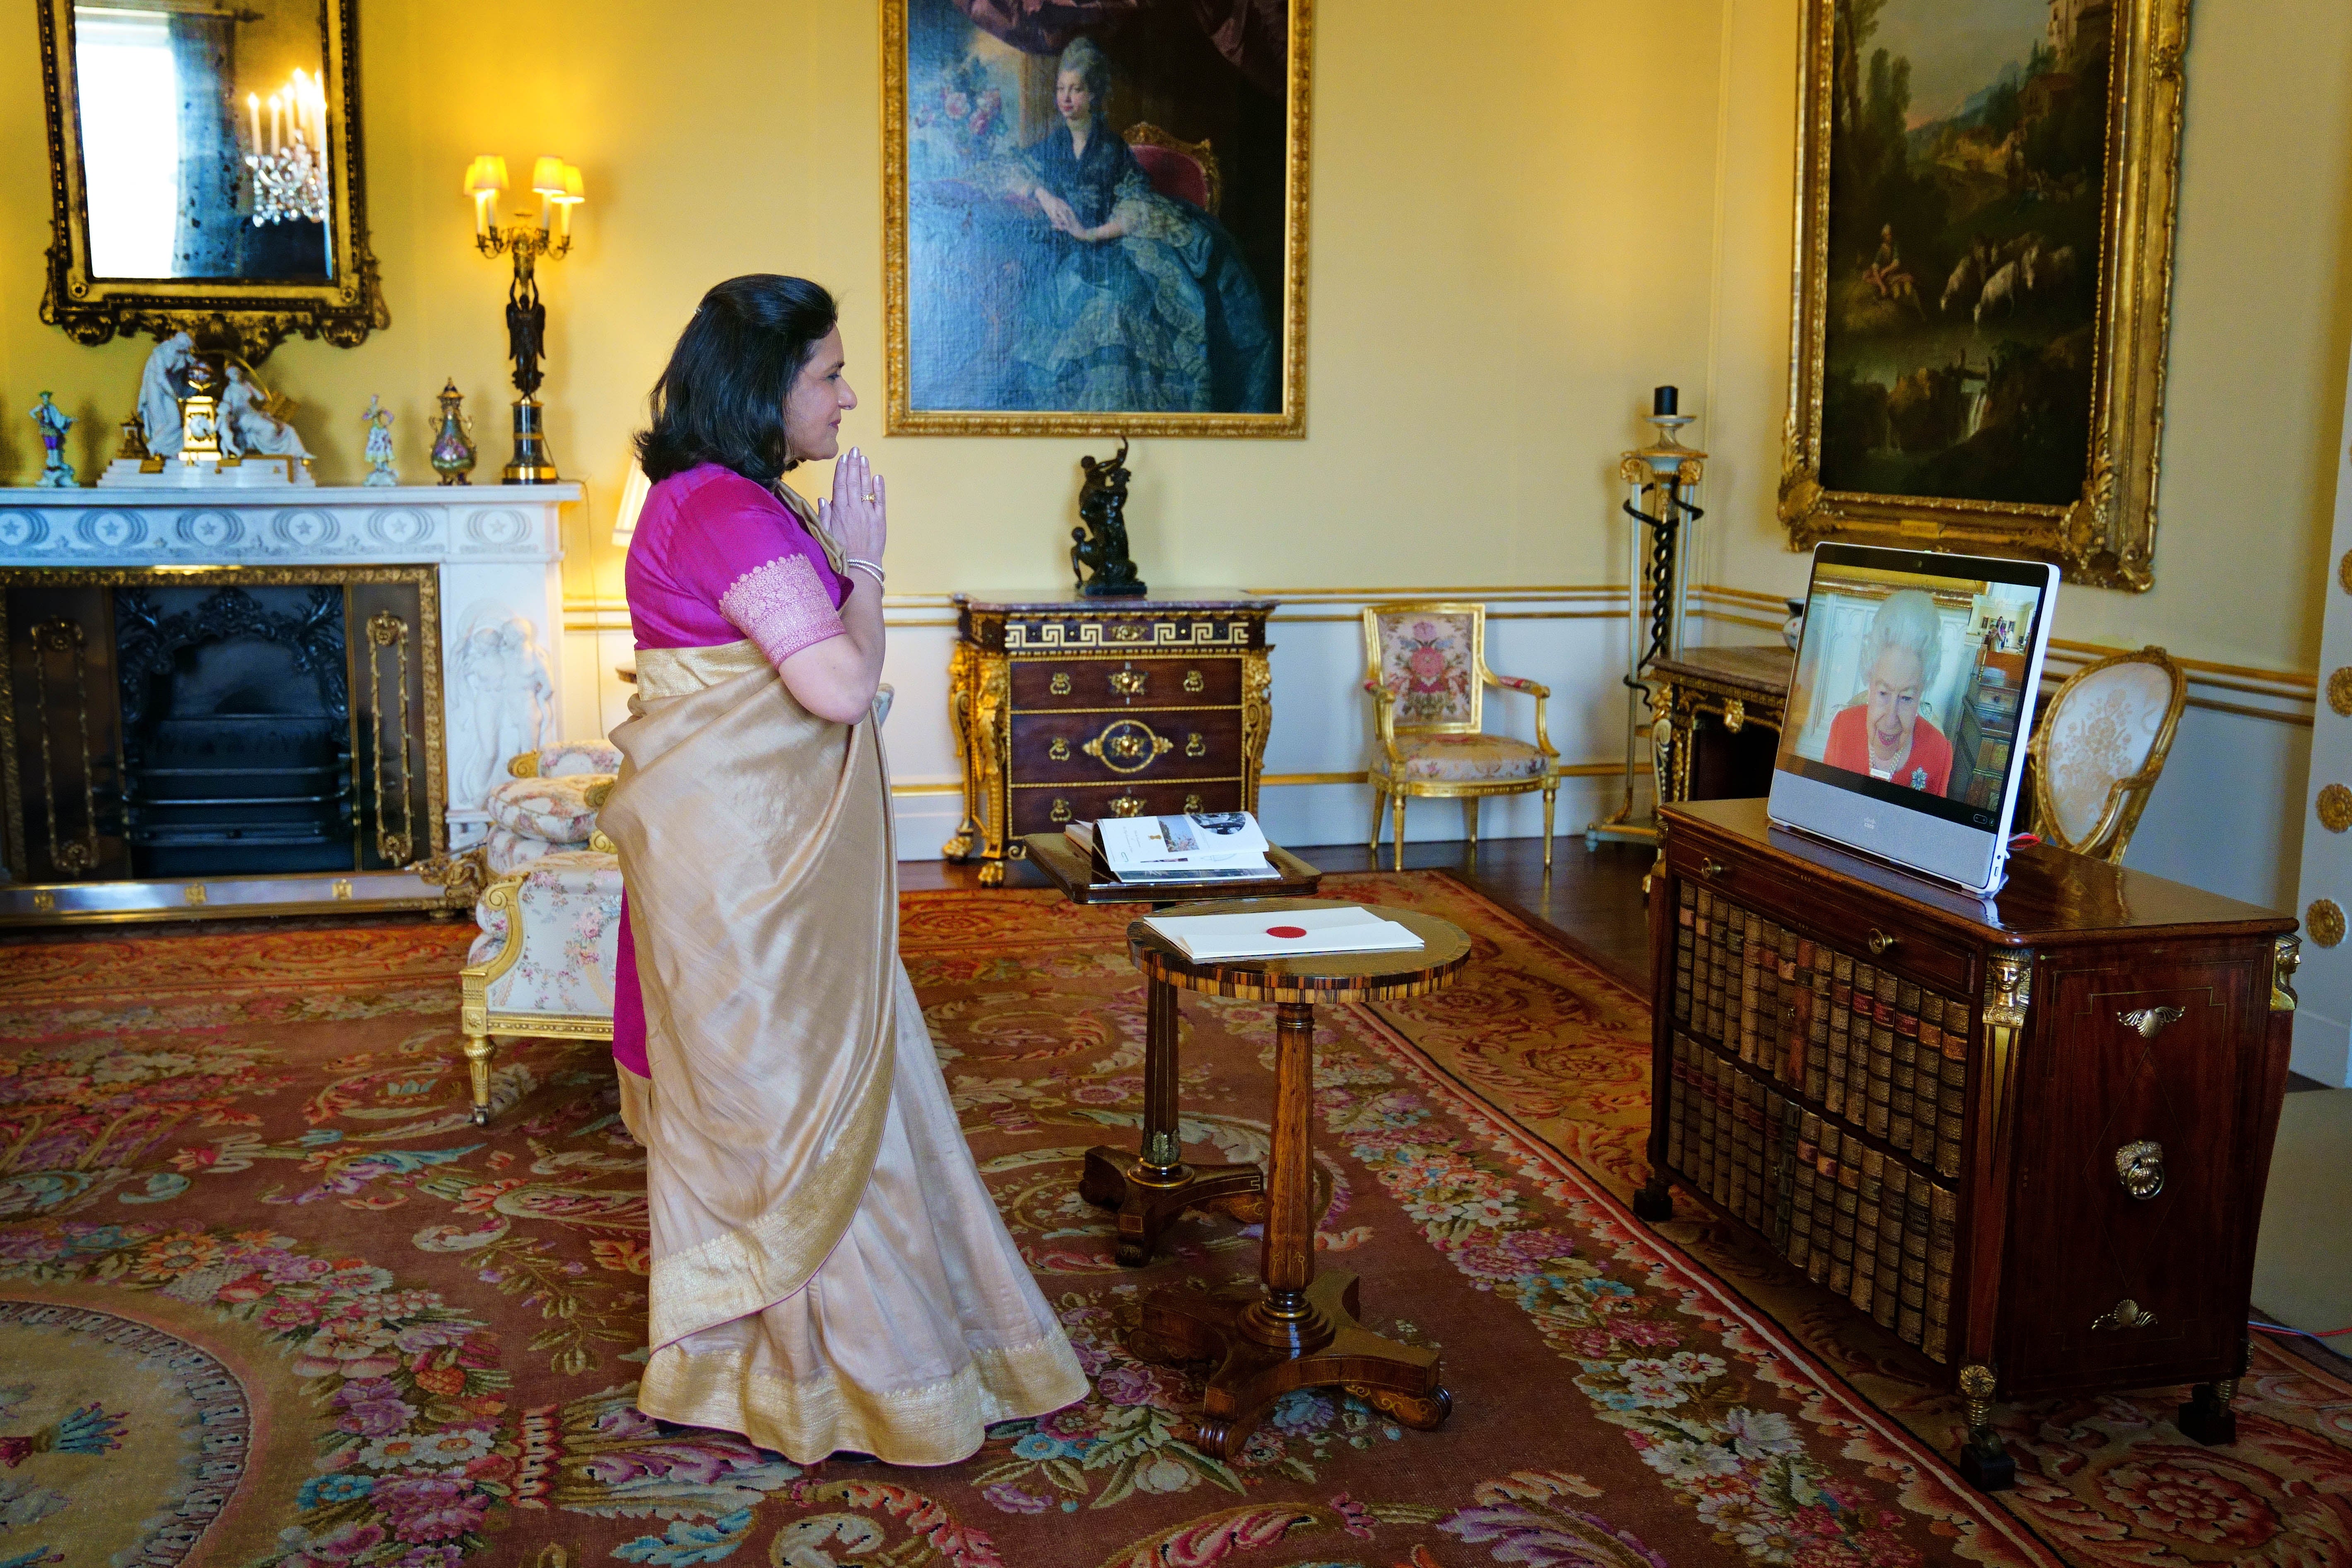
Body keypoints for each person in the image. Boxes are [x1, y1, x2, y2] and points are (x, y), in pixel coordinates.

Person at [597, 275, 1087, 1465]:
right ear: (765, 382)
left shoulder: (740, 499)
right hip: (747, 889)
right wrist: (867, 568)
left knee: (812, 1103)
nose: (848, 395)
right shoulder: (723, 510)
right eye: (829, 371)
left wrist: (847, 569)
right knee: (794, 1115)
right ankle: (848, 1381)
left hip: (771, 878)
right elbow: (835, 687)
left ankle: (801, 1363)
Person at [1002, 36, 1275, 413]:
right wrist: (1044, 196)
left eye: (1077, 90)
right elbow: (1008, 169)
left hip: (1110, 247)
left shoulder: (1113, 149)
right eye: (1061, 89)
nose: (1066, 99)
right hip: (1061, 254)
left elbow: (1137, 206)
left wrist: (1091, 233)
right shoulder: (1050, 147)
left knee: (1115, 310)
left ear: (1094, 96)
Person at [1822, 589, 1953, 795]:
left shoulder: (1939, 753)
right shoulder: (1843, 728)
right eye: (1883, 693)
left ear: (1921, 694)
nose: (1891, 718)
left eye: (1906, 698)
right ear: (1870, 682)